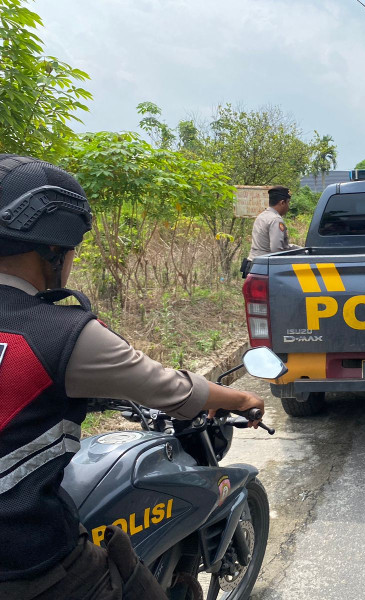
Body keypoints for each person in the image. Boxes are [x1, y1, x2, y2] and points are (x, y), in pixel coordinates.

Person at [0, 155, 266, 599]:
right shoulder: (65, 334)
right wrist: (241, 399)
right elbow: (174, 390)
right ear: (54, 249)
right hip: (28, 559)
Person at [247, 185, 301, 260]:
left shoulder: (261, 216)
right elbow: (277, 250)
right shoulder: (276, 220)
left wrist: (297, 248)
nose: (288, 207)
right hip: (265, 265)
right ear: (282, 203)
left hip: (254, 262)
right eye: (288, 203)